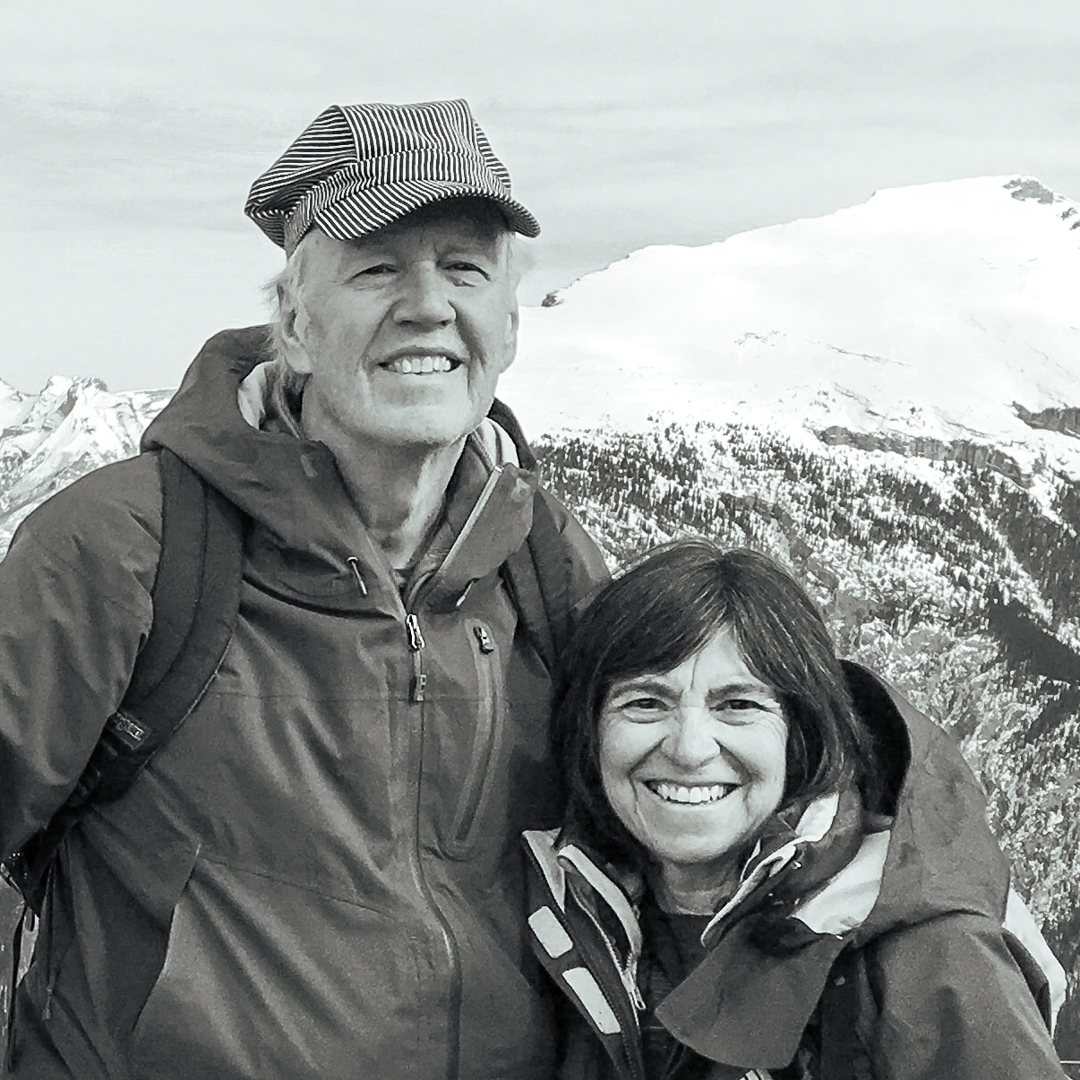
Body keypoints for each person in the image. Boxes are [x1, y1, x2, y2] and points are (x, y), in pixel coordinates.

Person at [0, 99, 608, 1079]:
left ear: (508, 319)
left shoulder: (545, 561)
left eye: (464, 267)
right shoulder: (124, 548)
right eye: (376, 266)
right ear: (291, 319)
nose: (427, 304)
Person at [524, 540, 1067, 1079]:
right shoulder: (567, 914)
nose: (690, 748)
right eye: (645, 702)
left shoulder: (928, 953)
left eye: (738, 705)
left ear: (800, 736)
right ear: (590, 732)